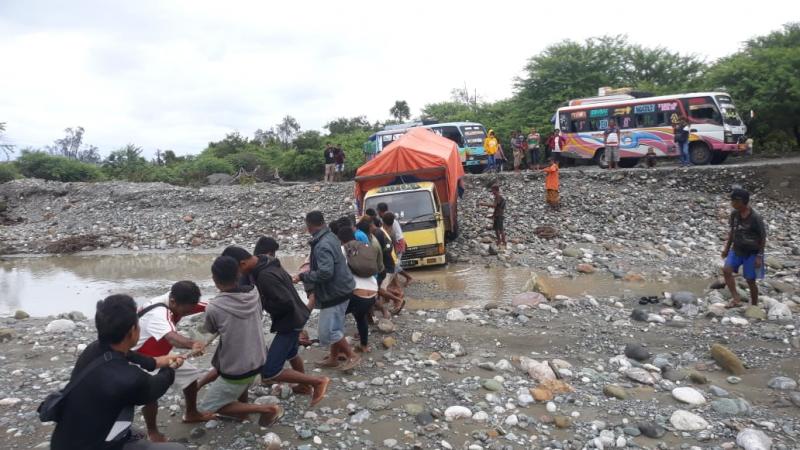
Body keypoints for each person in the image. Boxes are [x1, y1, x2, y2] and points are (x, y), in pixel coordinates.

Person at [50, 294, 186, 450]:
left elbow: (138, 357)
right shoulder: (130, 379)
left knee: (137, 434)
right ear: (132, 331)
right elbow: (157, 386)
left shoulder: (95, 349)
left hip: (65, 439)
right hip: (94, 445)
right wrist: (171, 367)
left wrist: (163, 360)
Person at [221, 245, 330, 407]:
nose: (238, 274)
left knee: (270, 371)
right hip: (298, 316)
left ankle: (318, 382)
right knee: (292, 353)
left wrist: (262, 303)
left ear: (243, 263)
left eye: (237, 270)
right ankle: (304, 386)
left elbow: (284, 302)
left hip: (289, 322)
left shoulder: (264, 276)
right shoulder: (267, 261)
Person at [199, 256, 283, 426]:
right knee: (240, 382)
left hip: (238, 369)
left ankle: (268, 409)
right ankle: (242, 415)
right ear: (238, 274)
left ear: (214, 279)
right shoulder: (253, 292)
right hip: (258, 358)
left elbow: (210, 329)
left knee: (208, 406)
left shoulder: (214, 306)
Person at [134, 281, 213, 443]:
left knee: (191, 374)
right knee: (150, 394)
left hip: (161, 353)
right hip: (141, 358)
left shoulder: (177, 299)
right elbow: (171, 337)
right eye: (187, 310)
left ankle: (191, 413)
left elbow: (208, 305)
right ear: (173, 302)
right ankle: (153, 432)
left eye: (192, 308)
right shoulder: (158, 312)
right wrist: (192, 344)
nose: (189, 312)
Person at [293, 211, 361, 371]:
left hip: (335, 293)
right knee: (336, 327)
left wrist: (303, 277)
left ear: (309, 227)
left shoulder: (322, 244)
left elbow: (325, 272)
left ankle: (352, 355)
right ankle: (333, 358)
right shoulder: (330, 236)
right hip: (344, 288)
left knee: (327, 332)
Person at [722, 188, 767, 308]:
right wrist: (726, 249)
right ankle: (736, 298)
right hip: (737, 249)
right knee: (726, 270)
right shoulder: (734, 214)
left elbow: (763, 237)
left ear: (741, 201)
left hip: (752, 252)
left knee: (750, 280)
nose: (732, 203)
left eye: (734, 201)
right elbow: (732, 232)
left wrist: (759, 256)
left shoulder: (756, 217)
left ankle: (754, 305)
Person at [337, 226, 379, 353]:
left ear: (340, 239)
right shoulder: (364, 246)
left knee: (336, 316)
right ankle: (364, 346)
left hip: (357, 294)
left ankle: (341, 351)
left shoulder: (342, 250)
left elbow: (339, 273)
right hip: (373, 292)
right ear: (354, 235)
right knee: (360, 317)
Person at [377, 202, 412, 285]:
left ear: (379, 211)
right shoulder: (389, 218)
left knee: (394, 264)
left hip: (397, 243)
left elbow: (393, 235)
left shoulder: (386, 219)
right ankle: (396, 284)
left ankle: (407, 278)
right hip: (398, 242)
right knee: (394, 264)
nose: (377, 213)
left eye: (378, 211)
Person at [479, 184, 507, 248]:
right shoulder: (497, 196)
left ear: (496, 190)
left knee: (501, 230)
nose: (492, 192)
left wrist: (484, 204)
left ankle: (504, 242)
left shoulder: (498, 197)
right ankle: (499, 241)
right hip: (497, 215)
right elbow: (496, 208)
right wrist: (493, 215)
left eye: (492, 190)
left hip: (499, 216)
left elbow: (494, 205)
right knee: (496, 229)